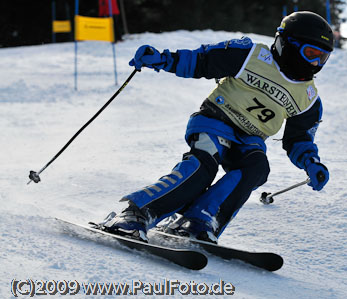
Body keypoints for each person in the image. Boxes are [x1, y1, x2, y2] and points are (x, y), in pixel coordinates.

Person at [101, 11, 333, 243]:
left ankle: (199, 219)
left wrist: (310, 162)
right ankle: (137, 213)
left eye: (322, 58)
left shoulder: (308, 98)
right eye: (310, 53)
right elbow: (202, 61)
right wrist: (164, 59)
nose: (315, 63)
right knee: (202, 166)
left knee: (256, 169)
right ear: (286, 43)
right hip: (216, 121)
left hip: (250, 139)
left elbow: (299, 139)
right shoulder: (251, 55)